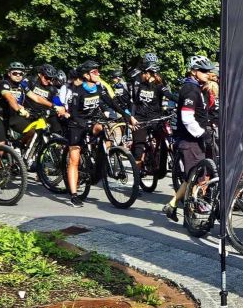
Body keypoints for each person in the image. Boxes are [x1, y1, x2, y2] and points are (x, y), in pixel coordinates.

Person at [65, 60, 136, 207]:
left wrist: (127, 116)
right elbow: (73, 114)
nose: (98, 74)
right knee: (74, 159)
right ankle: (74, 195)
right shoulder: (78, 91)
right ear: (86, 75)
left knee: (104, 130)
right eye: (95, 72)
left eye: (98, 71)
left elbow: (112, 103)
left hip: (92, 121)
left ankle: (100, 159)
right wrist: (83, 124)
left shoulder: (98, 87)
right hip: (76, 124)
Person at [164, 55, 215, 221]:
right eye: (204, 71)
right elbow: (187, 118)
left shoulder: (196, 87)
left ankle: (172, 205)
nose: (207, 73)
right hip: (190, 140)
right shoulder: (190, 90)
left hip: (193, 139)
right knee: (196, 178)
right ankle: (190, 215)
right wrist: (202, 134)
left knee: (192, 177)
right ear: (193, 71)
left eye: (208, 71)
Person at [130, 62, 174, 167]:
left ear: (148, 74)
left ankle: (157, 158)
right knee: (138, 148)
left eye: (143, 73)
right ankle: (137, 173)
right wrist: (132, 117)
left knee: (164, 136)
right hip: (140, 119)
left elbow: (170, 96)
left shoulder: (159, 86)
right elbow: (135, 103)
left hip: (155, 118)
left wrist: (184, 101)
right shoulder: (140, 86)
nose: (141, 75)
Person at [0, 62, 34, 149]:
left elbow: (36, 97)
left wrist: (53, 106)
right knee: (1, 146)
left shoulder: (22, 85)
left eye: (20, 74)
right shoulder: (3, 84)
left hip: (12, 116)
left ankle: (19, 147)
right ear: (9, 73)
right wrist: (19, 109)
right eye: (15, 73)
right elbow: (9, 97)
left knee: (32, 130)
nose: (18, 75)